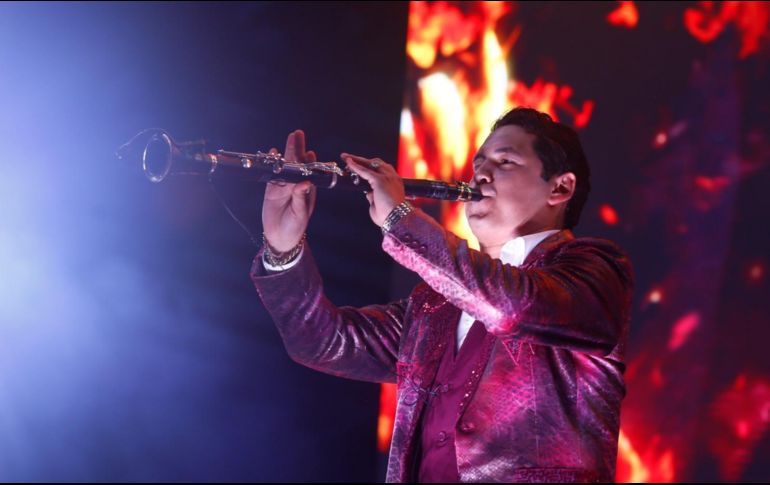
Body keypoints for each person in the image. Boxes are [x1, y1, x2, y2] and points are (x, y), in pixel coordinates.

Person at [251, 107, 633, 483]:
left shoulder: (594, 270)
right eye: (479, 163)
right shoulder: (432, 305)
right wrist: (283, 249)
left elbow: (513, 308)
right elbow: (322, 343)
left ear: (560, 187)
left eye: (505, 161)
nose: (481, 174)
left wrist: (400, 219)